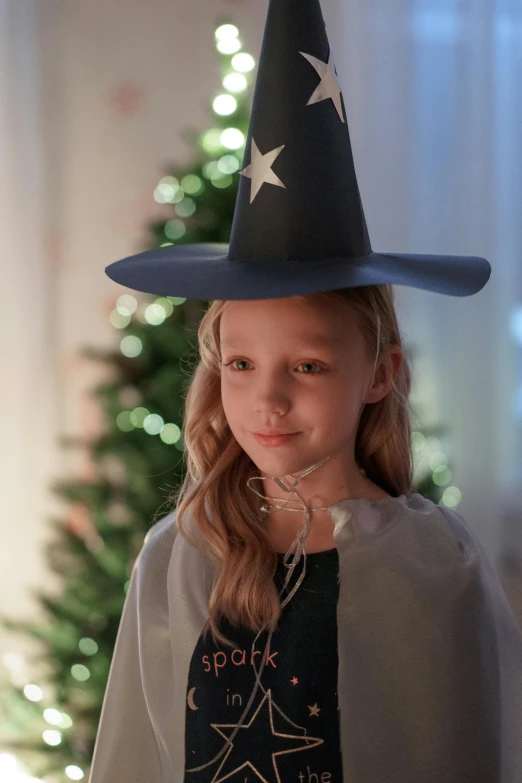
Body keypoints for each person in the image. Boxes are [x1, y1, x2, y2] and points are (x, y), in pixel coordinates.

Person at [89, 0, 522, 780]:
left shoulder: (433, 563)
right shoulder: (179, 557)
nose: (268, 400)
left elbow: (473, 747)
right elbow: (132, 752)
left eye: (310, 366)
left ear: (381, 372)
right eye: (242, 364)